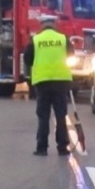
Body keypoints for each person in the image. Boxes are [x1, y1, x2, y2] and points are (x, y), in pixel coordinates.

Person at [23, 14, 74, 156]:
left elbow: (27, 59)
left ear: (42, 25)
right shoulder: (63, 39)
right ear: (54, 24)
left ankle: (42, 148)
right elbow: (71, 55)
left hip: (42, 82)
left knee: (43, 115)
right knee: (60, 115)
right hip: (61, 82)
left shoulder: (36, 40)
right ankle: (62, 147)